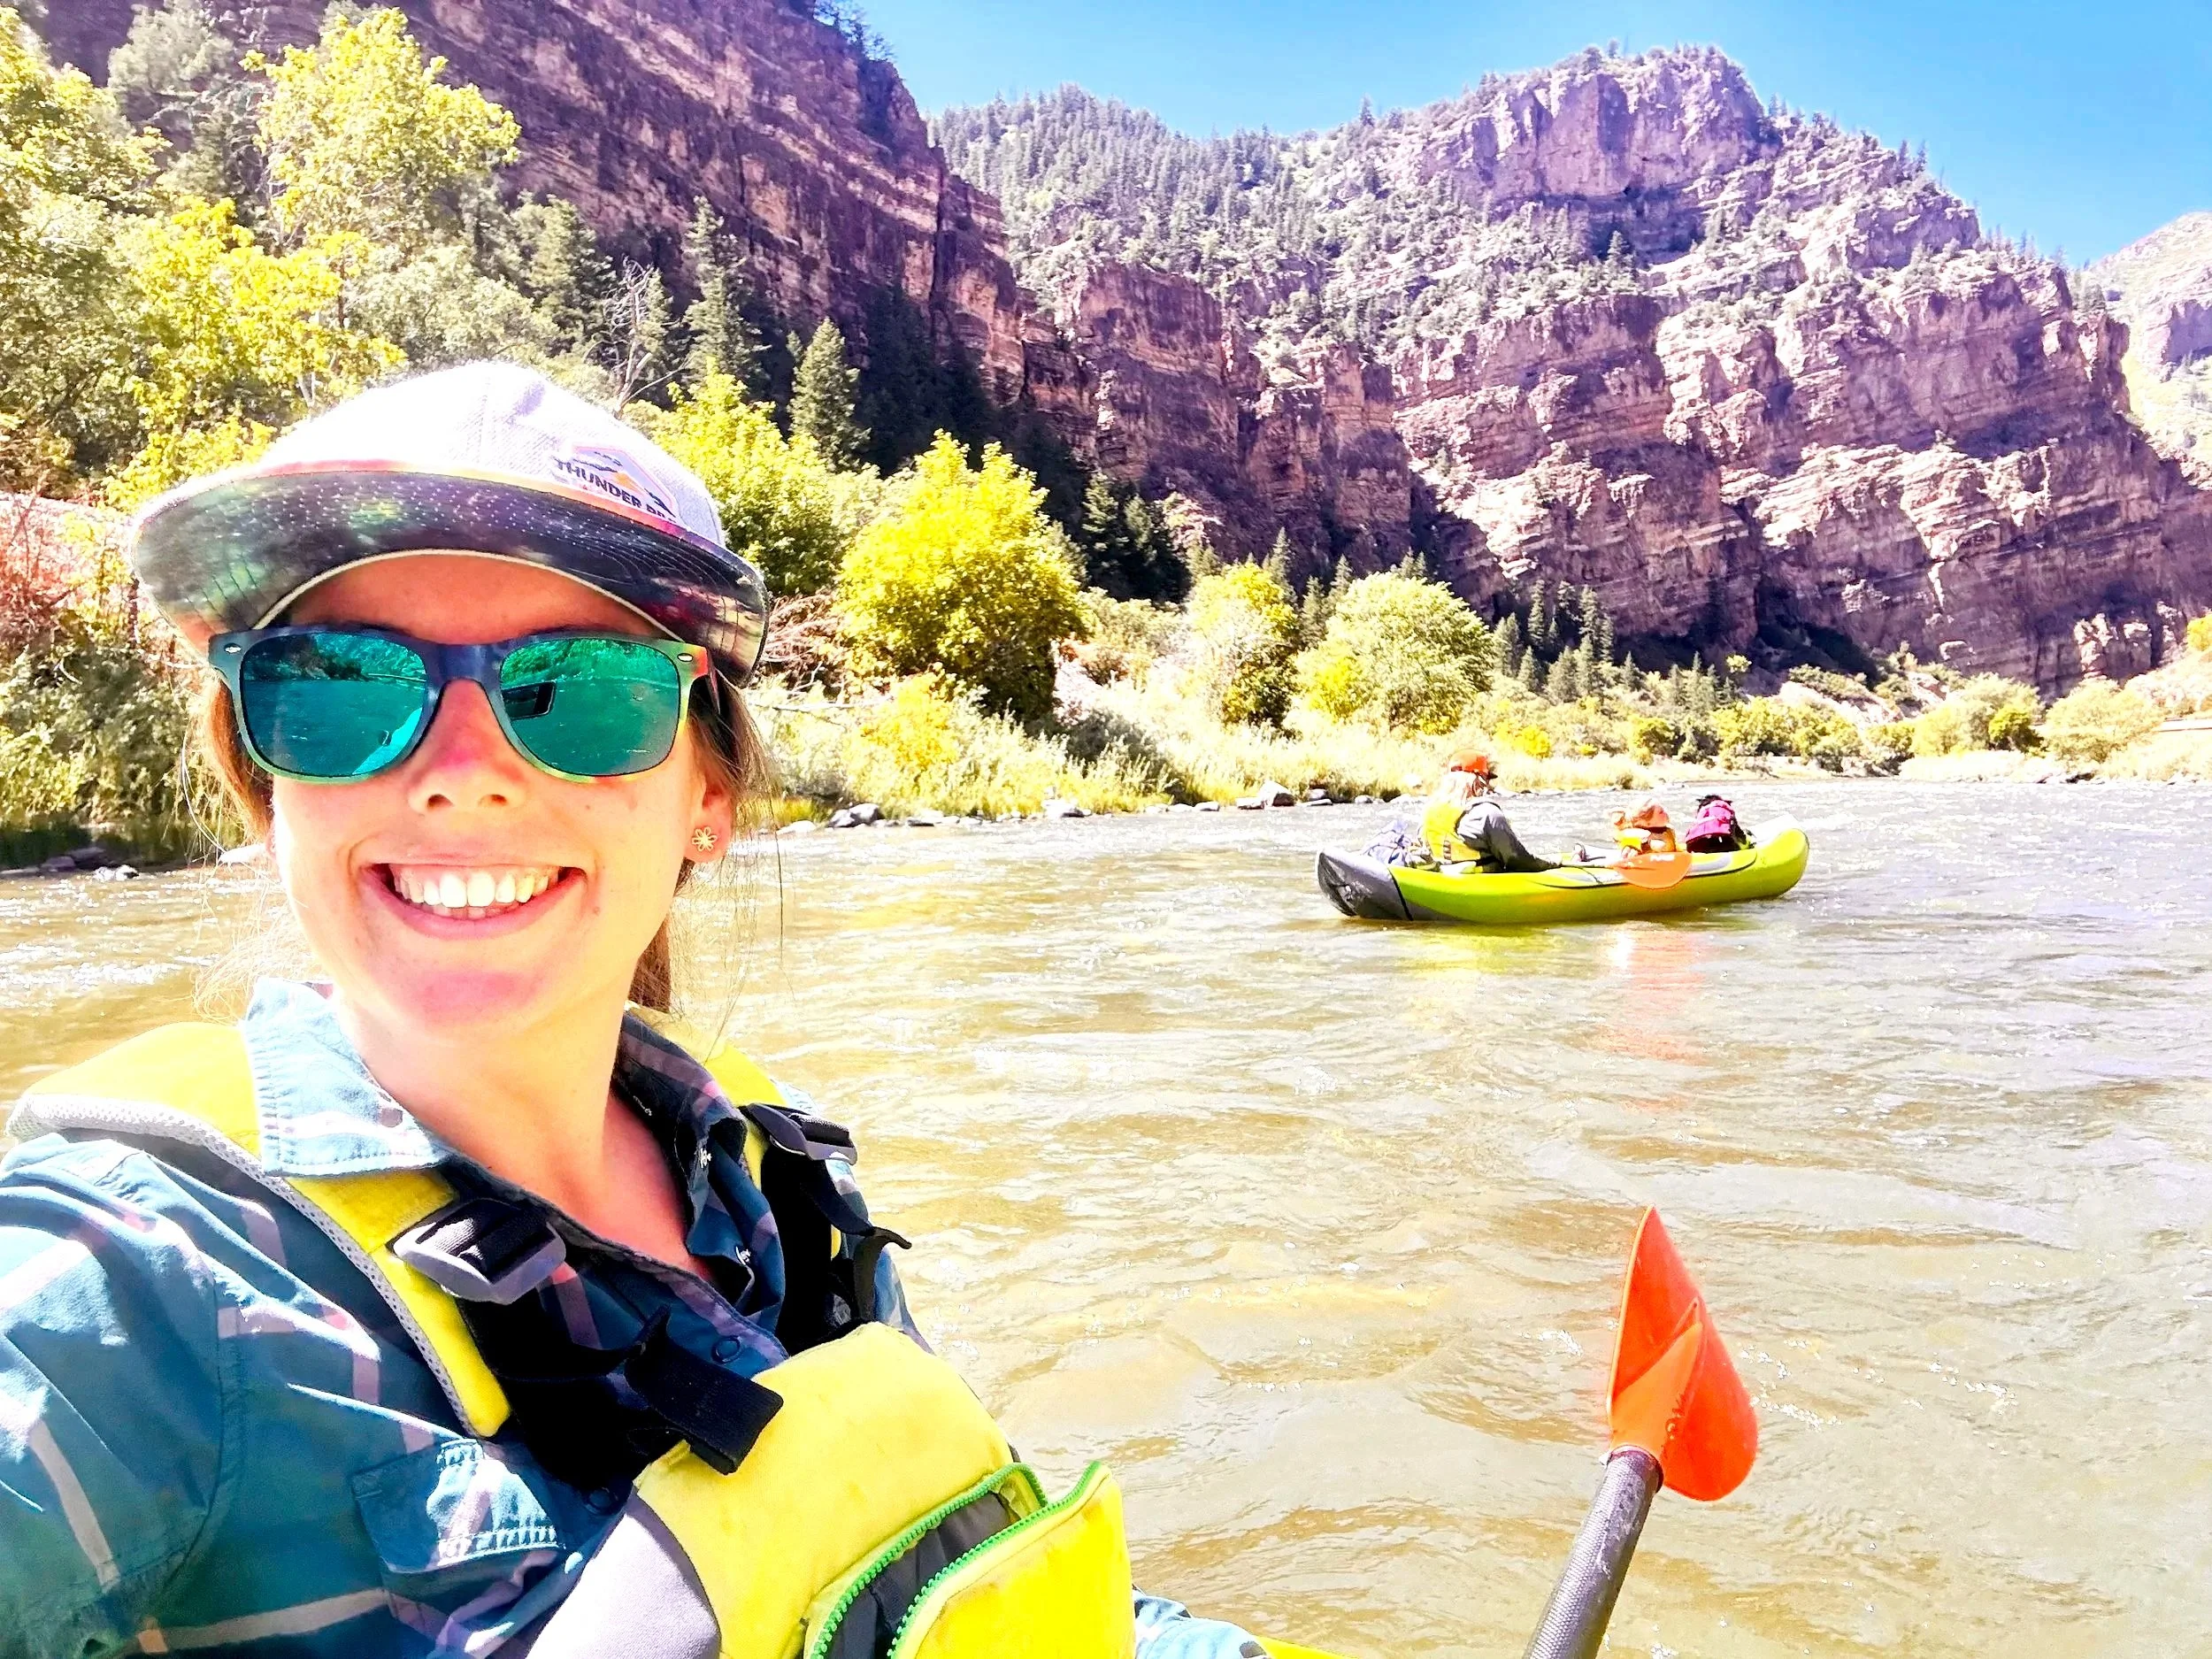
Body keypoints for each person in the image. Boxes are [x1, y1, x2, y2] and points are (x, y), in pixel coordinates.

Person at [0, 364, 1267, 1657]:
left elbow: (978, 1570)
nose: (463, 776)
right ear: (267, 776)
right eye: (340, 685)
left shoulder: (776, 1184)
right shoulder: (137, 1275)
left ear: (706, 799)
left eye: (579, 686)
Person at [1409, 751, 1556, 874]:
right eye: (1486, 779)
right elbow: (1518, 861)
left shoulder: (1429, 809)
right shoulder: (1486, 813)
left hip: (1439, 877)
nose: (1488, 785)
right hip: (1478, 887)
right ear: (1478, 780)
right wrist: (1553, 863)